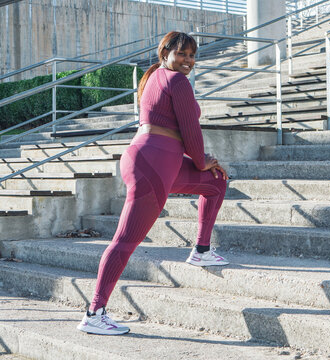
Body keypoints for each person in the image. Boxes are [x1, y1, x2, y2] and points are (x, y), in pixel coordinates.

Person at [77, 31, 229, 336]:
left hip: (156, 160)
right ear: (165, 53)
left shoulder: (155, 78)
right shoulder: (176, 81)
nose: (188, 60)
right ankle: (95, 312)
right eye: (182, 54)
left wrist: (204, 164)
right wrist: (202, 160)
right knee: (125, 241)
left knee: (215, 182)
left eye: (191, 55)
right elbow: (190, 130)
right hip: (154, 165)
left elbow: (173, 129)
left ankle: (200, 250)